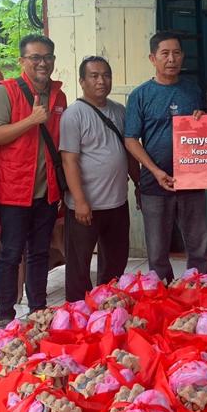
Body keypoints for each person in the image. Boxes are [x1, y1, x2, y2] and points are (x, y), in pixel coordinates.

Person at [0, 35, 67, 324]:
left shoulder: (59, 95)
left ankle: (38, 310)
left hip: (47, 192)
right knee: (11, 255)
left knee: (39, 253)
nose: (42, 63)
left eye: (47, 57)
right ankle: (5, 316)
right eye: (35, 57)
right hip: (13, 190)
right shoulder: (5, 92)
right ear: (22, 61)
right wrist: (31, 120)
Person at [124, 31, 207, 282]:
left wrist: (203, 121)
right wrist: (155, 171)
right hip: (154, 183)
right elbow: (131, 139)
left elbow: (206, 132)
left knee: (198, 248)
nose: (171, 59)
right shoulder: (140, 95)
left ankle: (199, 292)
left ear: (182, 56)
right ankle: (162, 296)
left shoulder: (193, 90)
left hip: (192, 182)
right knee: (157, 252)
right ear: (153, 58)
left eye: (176, 53)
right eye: (165, 53)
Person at [60, 56, 139, 301]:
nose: (101, 81)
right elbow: (69, 161)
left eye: (106, 75)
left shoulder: (119, 111)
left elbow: (129, 152)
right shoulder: (74, 115)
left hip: (117, 203)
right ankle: (78, 311)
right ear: (82, 81)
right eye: (94, 76)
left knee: (115, 262)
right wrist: (80, 201)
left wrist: (139, 184)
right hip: (86, 207)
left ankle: (108, 308)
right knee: (79, 266)